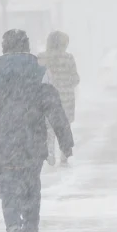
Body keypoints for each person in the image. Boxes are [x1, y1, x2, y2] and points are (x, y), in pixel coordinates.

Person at [0, 29, 74, 232]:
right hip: (32, 142)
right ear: (27, 46)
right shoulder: (40, 72)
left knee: (8, 190)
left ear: (4, 47)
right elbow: (54, 107)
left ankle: (13, 229)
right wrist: (65, 140)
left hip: (5, 145)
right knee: (31, 191)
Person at [37, 30, 80, 166]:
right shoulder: (68, 58)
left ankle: (50, 154)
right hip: (65, 99)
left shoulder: (41, 58)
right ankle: (64, 156)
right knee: (63, 128)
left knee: (48, 129)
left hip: (47, 98)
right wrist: (66, 83)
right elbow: (75, 78)